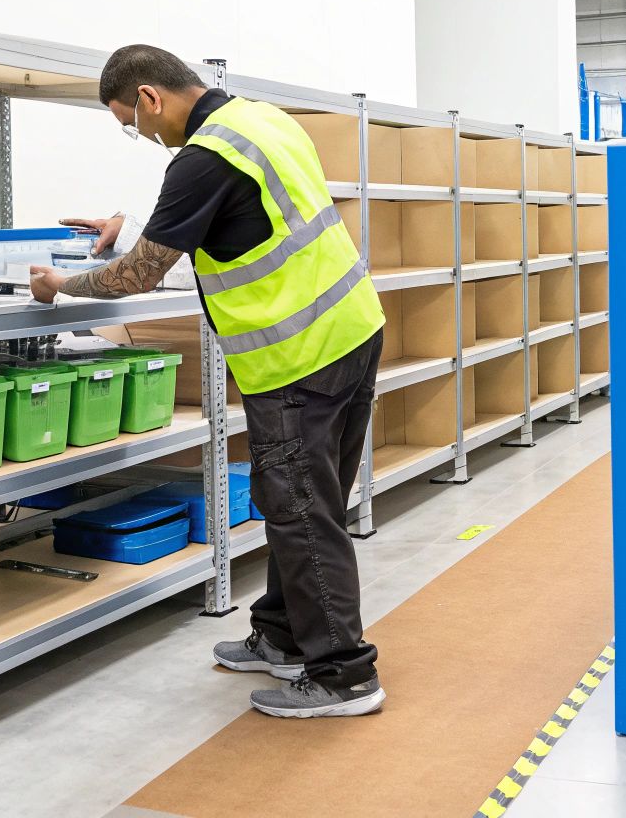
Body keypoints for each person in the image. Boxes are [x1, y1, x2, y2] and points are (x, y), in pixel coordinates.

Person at [29, 44, 387, 719]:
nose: (141, 137)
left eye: (130, 124)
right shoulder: (258, 120)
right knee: (305, 500)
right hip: (352, 327)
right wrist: (130, 227)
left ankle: (343, 674)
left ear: (149, 98)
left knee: (300, 507)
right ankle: (285, 635)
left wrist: (61, 285)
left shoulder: (200, 159)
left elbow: (137, 276)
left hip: (298, 356)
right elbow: (239, 218)